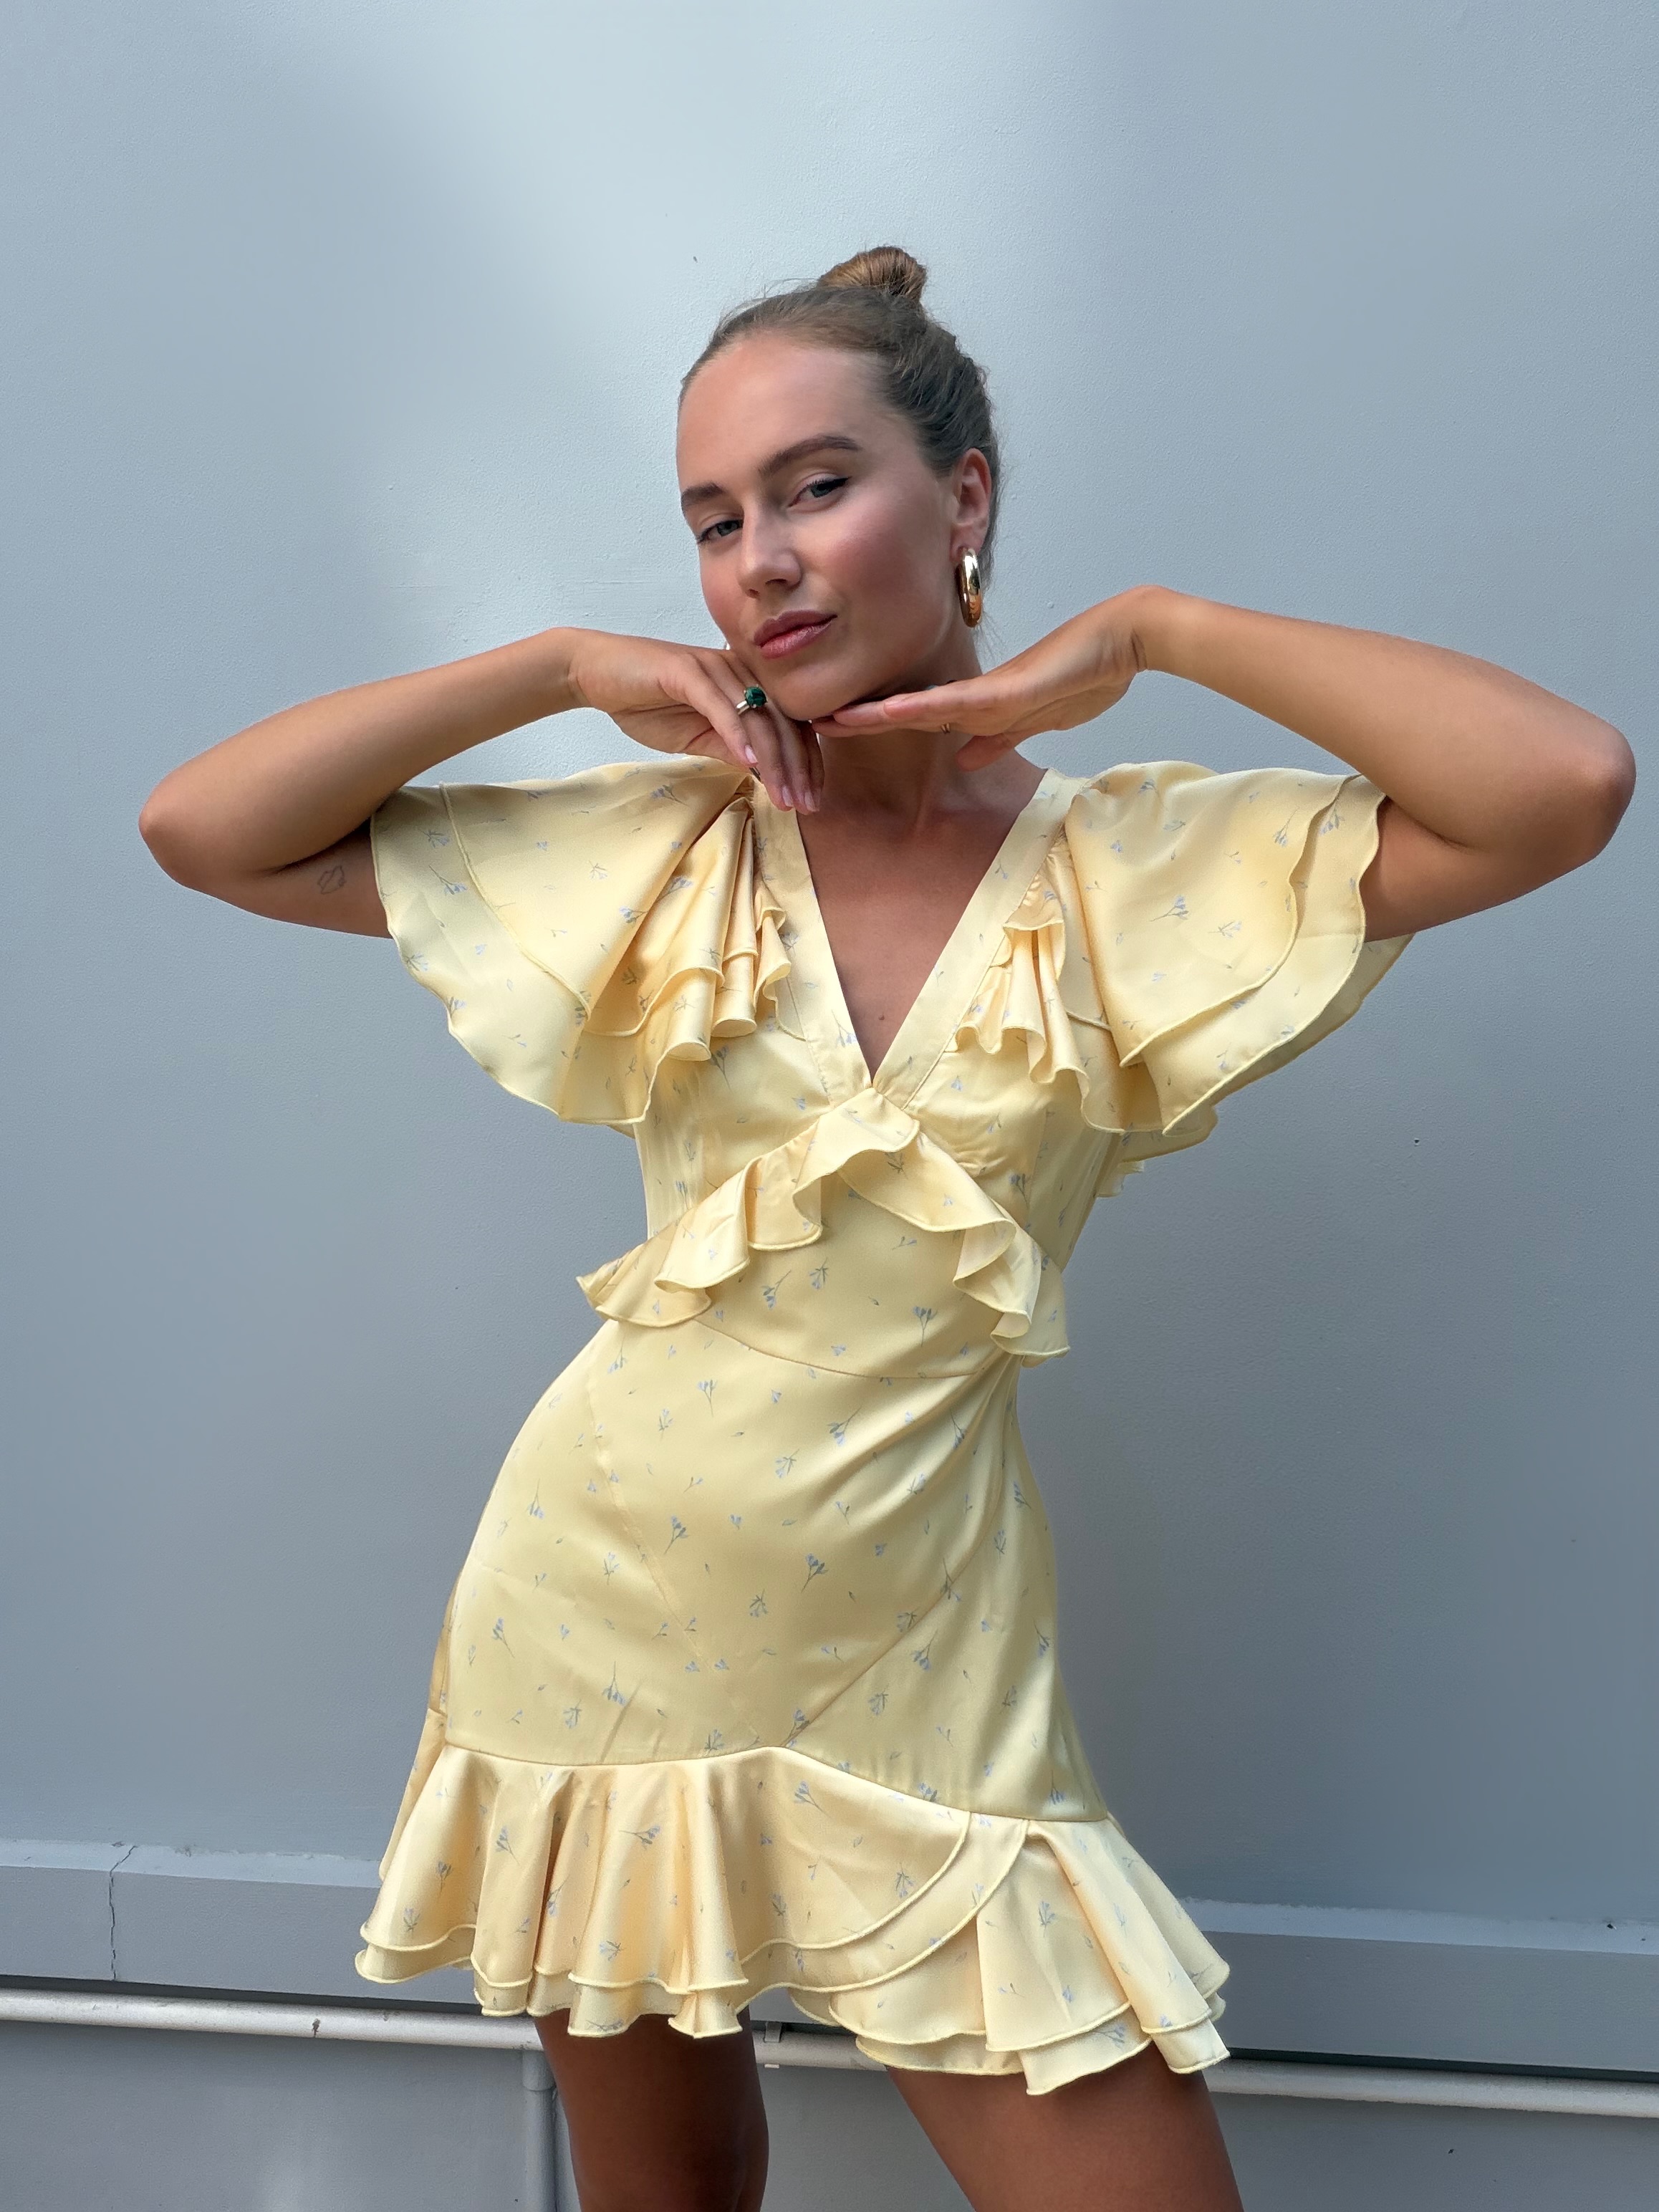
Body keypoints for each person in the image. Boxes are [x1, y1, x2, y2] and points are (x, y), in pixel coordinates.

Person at [140, 245, 1632, 2212]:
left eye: (816, 486)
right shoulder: (668, 852)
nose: (760, 559)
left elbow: (1560, 787)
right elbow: (204, 827)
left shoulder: (1129, 873)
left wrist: (1159, 632)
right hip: (591, 1621)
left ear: (965, 496)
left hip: (919, 1667)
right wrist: (558, 666)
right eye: (713, 520)